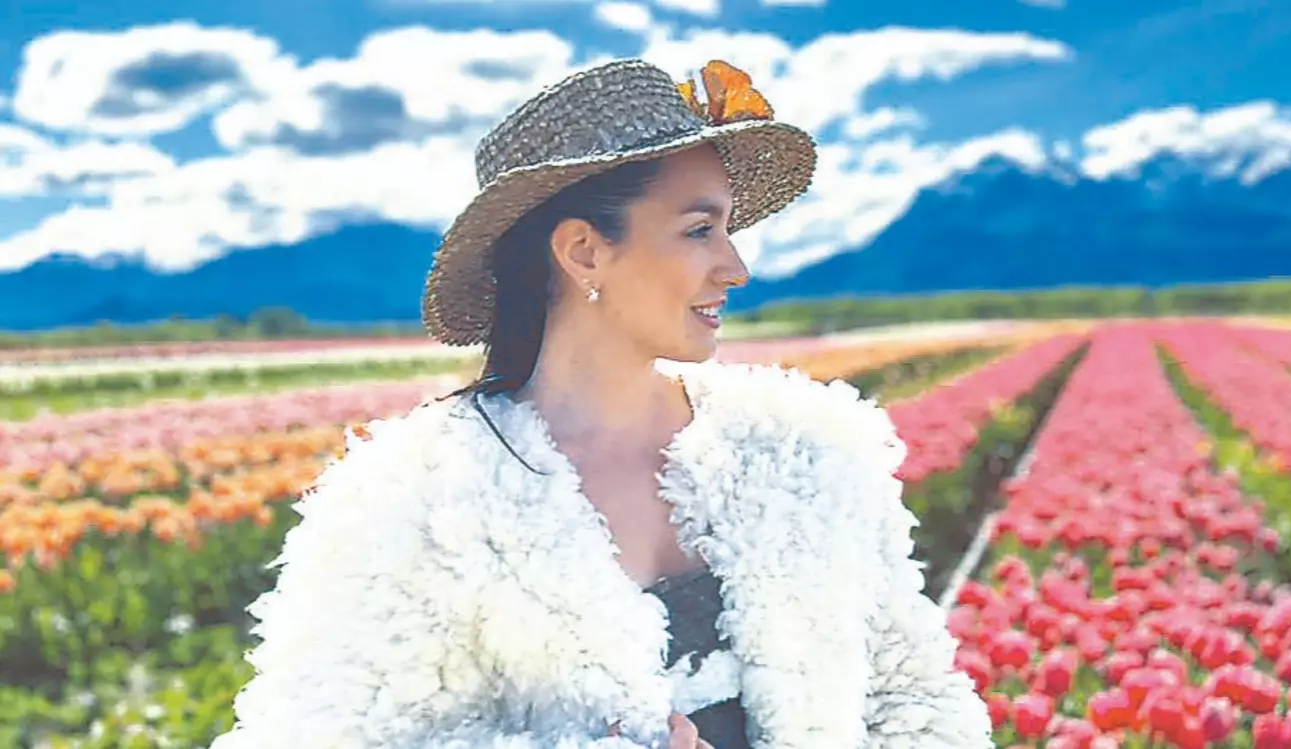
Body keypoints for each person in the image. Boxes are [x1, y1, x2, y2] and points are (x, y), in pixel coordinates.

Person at [211, 58, 992, 749]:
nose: (735, 267)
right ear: (584, 251)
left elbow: (914, 699)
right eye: (699, 230)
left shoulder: (804, 453)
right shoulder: (418, 501)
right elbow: (315, 732)